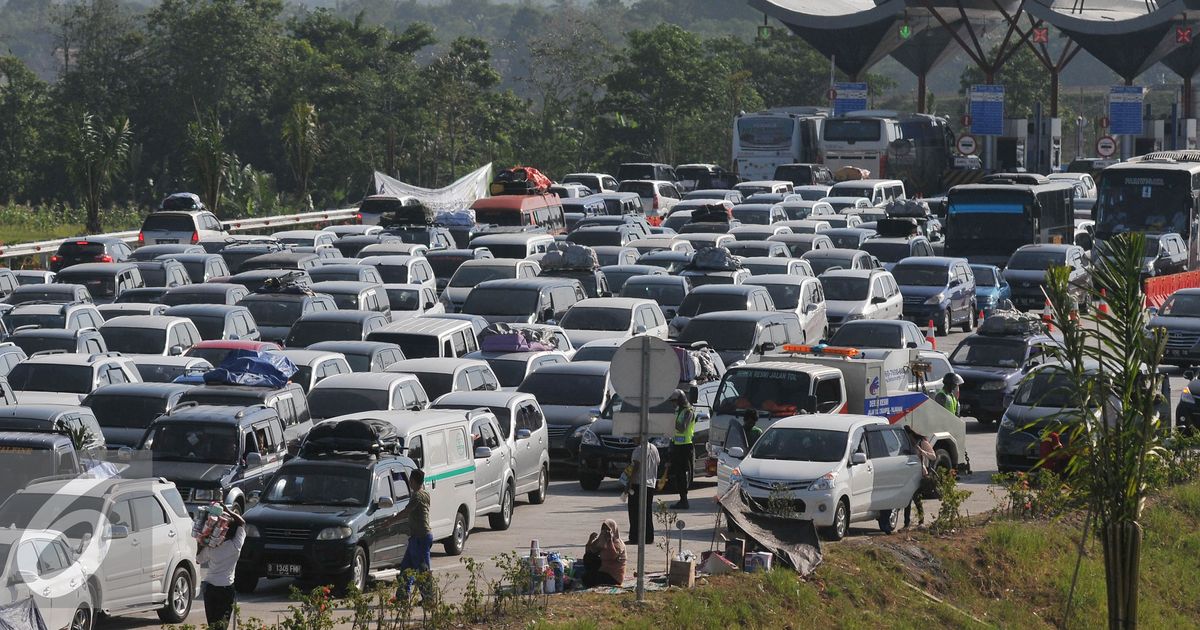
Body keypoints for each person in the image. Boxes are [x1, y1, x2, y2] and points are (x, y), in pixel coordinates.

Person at [197, 507, 246, 630]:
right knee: (222, 625)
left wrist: (202, 541)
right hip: (226, 588)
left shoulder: (211, 547)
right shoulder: (236, 546)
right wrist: (228, 511)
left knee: (212, 625)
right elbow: (242, 522)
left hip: (210, 588)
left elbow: (198, 560)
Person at [398, 469, 433, 601]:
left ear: (412, 481)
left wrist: (389, 521)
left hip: (421, 537)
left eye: (410, 481)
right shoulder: (425, 493)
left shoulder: (417, 496)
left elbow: (406, 511)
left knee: (422, 569)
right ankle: (402, 595)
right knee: (406, 567)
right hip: (416, 537)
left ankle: (428, 598)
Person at [626, 436, 659, 544]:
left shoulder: (638, 450)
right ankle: (649, 537)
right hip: (650, 484)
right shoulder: (654, 448)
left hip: (638, 483)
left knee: (635, 512)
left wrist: (629, 483)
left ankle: (635, 537)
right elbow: (658, 462)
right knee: (647, 511)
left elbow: (635, 466)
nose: (633, 439)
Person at [903, 425, 938, 528]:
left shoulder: (921, 442)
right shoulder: (906, 443)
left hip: (919, 473)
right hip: (909, 474)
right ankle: (907, 523)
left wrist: (922, 452)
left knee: (916, 498)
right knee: (908, 499)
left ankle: (921, 521)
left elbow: (933, 456)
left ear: (910, 434)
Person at [669, 389, 696, 510]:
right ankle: (682, 499)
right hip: (677, 446)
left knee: (683, 475)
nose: (673, 403)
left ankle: (684, 500)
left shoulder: (688, 411)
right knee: (677, 474)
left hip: (685, 447)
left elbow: (682, 428)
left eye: (674, 401)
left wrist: (671, 421)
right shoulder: (678, 411)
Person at [582, 519, 626, 587]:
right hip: (604, 570)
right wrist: (590, 540)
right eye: (603, 529)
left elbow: (611, 556)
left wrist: (609, 541)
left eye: (607, 529)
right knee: (589, 557)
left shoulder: (618, 543)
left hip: (613, 576)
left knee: (587, 579)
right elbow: (589, 551)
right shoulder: (602, 540)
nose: (605, 531)